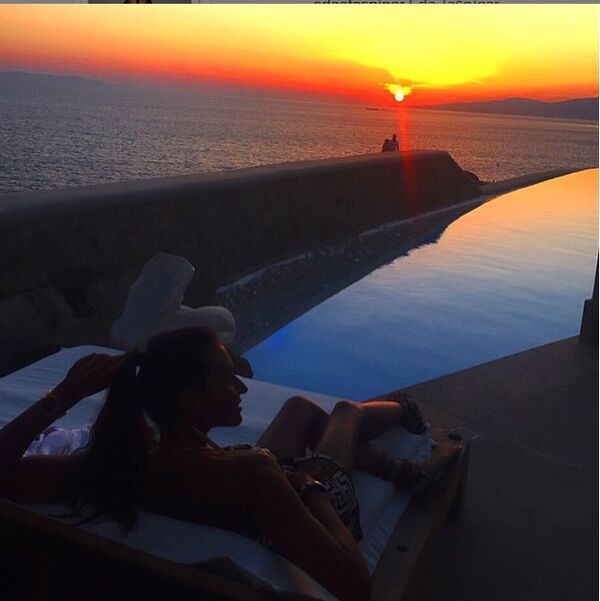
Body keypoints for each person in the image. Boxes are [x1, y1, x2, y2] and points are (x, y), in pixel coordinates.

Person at [0, 327, 459, 601]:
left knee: (300, 409)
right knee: (345, 413)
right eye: (227, 378)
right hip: (313, 508)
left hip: (259, 493)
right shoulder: (253, 473)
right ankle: (407, 413)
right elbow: (356, 588)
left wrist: (63, 397)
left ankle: (405, 471)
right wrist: (310, 488)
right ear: (189, 398)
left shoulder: (118, 466)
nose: (241, 388)